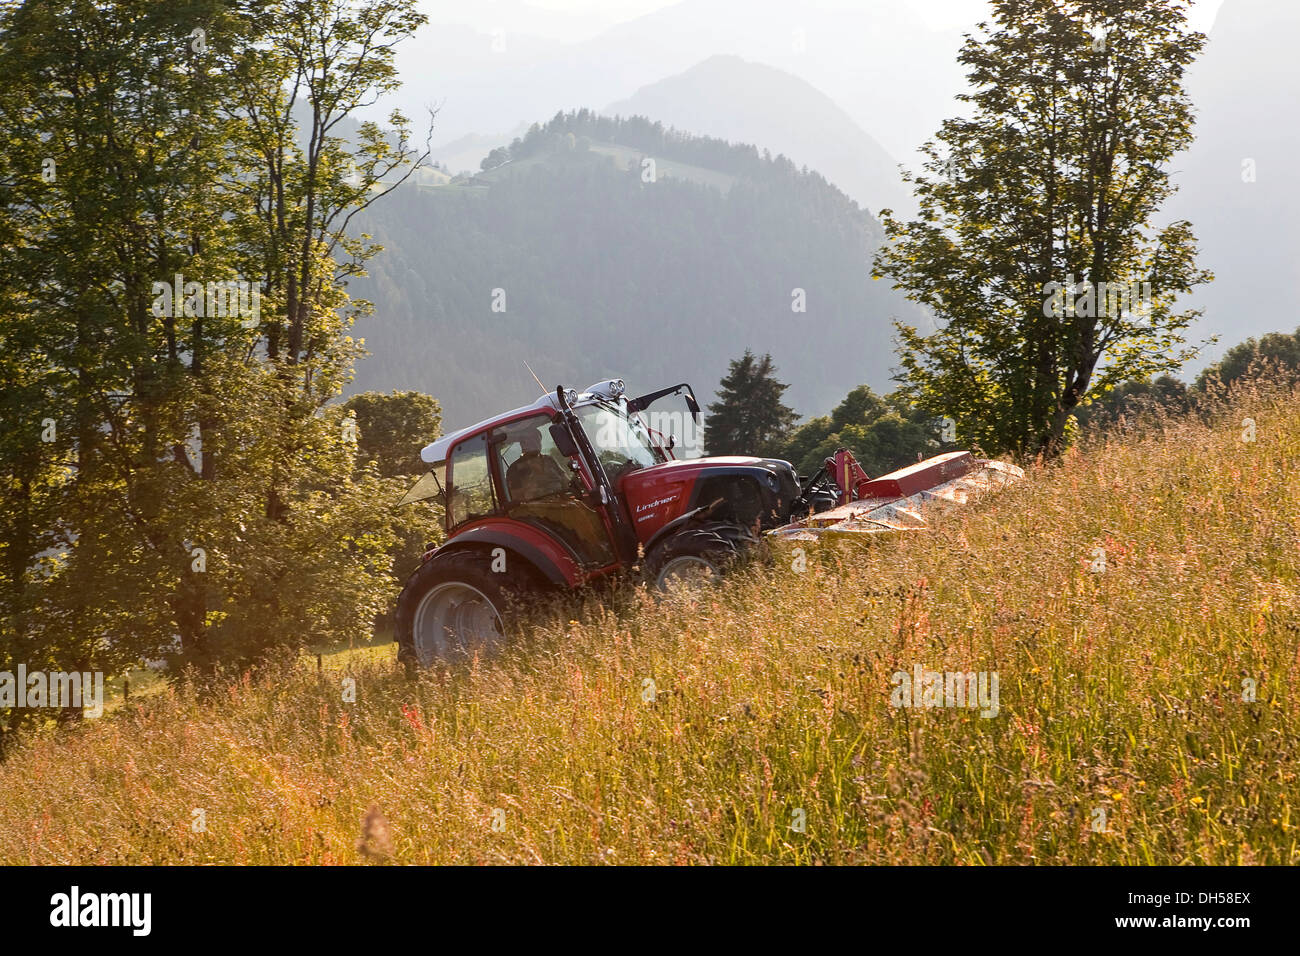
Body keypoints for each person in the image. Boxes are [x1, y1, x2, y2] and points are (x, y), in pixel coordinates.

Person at [506, 428, 569, 500]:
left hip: (561, 503)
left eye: (537, 440)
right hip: (535, 508)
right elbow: (515, 497)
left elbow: (565, 480)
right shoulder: (515, 468)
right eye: (530, 440)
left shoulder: (549, 459)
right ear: (522, 444)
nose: (535, 443)